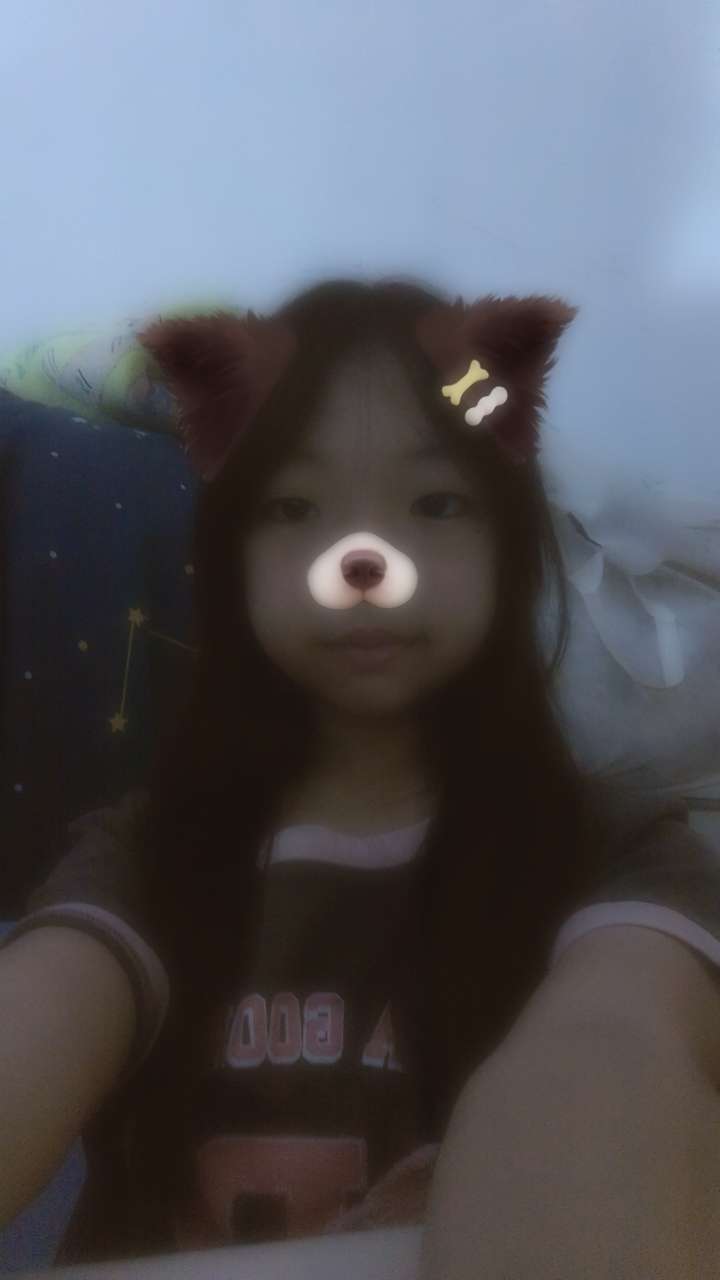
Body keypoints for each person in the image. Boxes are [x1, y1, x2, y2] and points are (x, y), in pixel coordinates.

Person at [2, 277, 720, 1272]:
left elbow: (617, 1045)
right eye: (296, 506)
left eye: (435, 502)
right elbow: (40, 1012)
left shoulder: (621, 848)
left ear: (509, 543)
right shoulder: (148, 850)